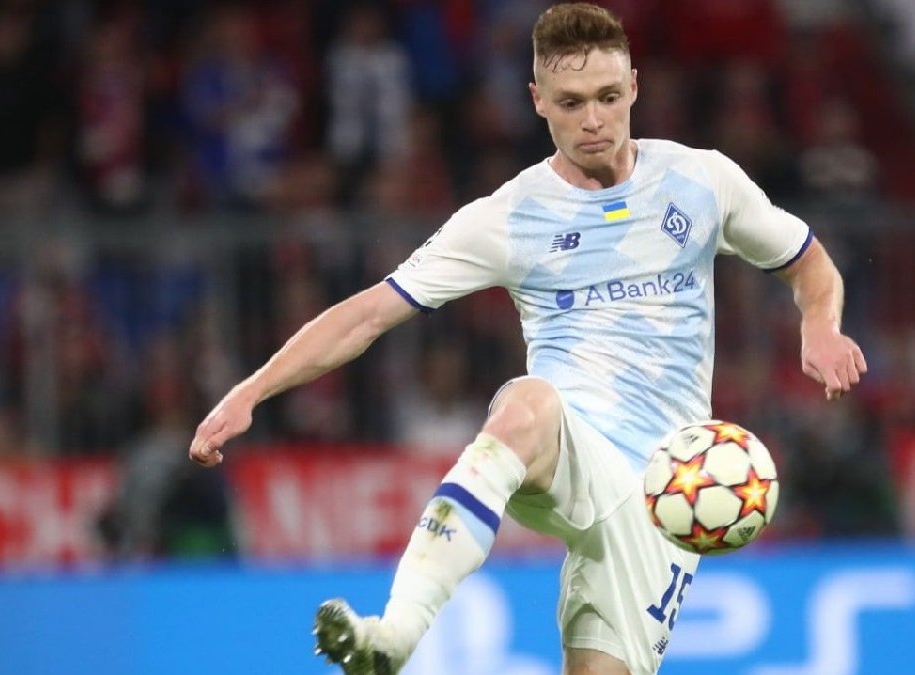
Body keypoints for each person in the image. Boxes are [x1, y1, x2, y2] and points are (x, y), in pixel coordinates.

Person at [187, 4, 866, 674]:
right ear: (538, 99)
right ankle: (394, 633)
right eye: (571, 102)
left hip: (665, 491)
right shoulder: (509, 216)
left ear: (634, 87)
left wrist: (821, 325)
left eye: (607, 97)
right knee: (528, 404)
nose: (593, 119)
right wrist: (252, 391)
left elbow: (807, 261)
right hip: (572, 448)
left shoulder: (701, 181)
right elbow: (367, 314)